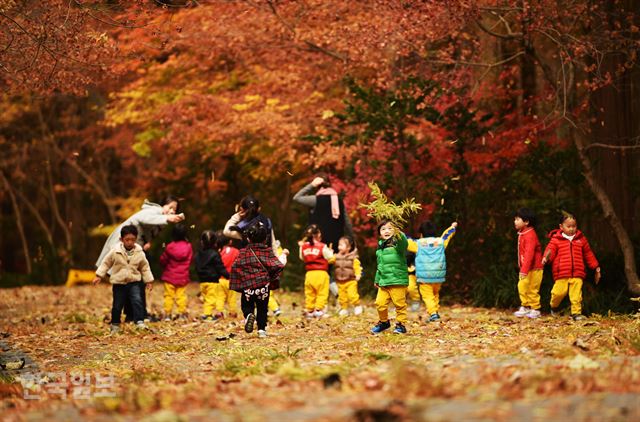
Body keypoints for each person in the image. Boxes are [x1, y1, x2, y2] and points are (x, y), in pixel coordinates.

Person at [95, 196, 185, 321]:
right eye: (170, 207)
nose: (171, 211)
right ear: (162, 205)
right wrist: (167, 218)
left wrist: (147, 242)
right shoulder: (153, 211)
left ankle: (133, 315)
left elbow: (145, 230)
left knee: (131, 281)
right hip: (121, 247)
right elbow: (144, 218)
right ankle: (139, 315)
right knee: (134, 281)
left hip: (132, 249)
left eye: (174, 210)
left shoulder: (159, 218)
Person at [293, 175, 353, 298]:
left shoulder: (316, 199)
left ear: (318, 186)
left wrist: (311, 185)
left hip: (319, 242)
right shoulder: (339, 201)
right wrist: (352, 239)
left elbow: (297, 197)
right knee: (330, 270)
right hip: (336, 242)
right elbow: (347, 222)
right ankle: (341, 296)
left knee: (321, 271)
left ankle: (338, 296)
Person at [93, 225, 154, 333]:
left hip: (134, 282)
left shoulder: (139, 252)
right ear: (121, 239)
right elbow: (106, 263)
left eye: (133, 240)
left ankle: (139, 322)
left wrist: (149, 280)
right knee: (117, 304)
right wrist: (99, 276)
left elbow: (145, 267)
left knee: (137, 301)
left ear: (136, 239)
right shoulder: (115, 251)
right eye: (127, 240)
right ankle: (115, 324)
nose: (130, 242)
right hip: (119, 283)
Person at [230, 222, 285, 338]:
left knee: (246, 305)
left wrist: (242, 279)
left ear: (248, 239)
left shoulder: (243, 252)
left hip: (248, 287)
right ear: (265, 239)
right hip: (263, 287)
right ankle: (261, 330)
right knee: (262, 308)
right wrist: (272, 277)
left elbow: (235, 266)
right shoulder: (267, 251)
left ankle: (249, 315)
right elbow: (277, 265)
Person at [542, 212, 601, 321]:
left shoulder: (581, 239)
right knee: (558, 293)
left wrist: (595, 266)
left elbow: (588, 253)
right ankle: (554, 306)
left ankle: (576, 313)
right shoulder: (556, 239)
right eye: (568, 226)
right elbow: (550, 251)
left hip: (578, 272)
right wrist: (546, 258)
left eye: (574, 226)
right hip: (561, 273)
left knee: (576, 295)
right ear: (561, 226)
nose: (571, 229)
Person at [412, 221, 457, 322]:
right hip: (438, 276)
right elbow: (447, 235)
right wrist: (452, 227)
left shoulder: (418, 244)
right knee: (435, 294)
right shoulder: (440, 242)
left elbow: (406, 241)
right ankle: (435, 312)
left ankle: (433, 313)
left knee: (427, 296)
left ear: (421, 234)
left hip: (425, 277)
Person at [371, 220, 409, 334]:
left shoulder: (398, 245)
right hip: (384, 282)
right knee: (380, 303)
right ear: (380, 233)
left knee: (399, 304)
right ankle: (384, 322)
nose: (386, 231)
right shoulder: (380, 248)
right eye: (383, 229)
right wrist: (377, 279)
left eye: (390, 228)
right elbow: (380, 266)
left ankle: (401, 325)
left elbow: (404, 242)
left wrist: (399, 233)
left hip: (397, 281)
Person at [513, 208, 544, 319]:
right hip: (526, 267)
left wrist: (524, 270)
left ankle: (535, 309)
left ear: (526, 222)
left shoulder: (530, 235)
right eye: (515, 219)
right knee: (522, 286)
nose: (515, 221)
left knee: (532, 288)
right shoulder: (523, 233)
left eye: (517, 219)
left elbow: (529, 254)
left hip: (534, 268)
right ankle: (525, 306)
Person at [299, 224, 335, 318]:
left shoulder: (303, 246)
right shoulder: (322, 246)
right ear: (318, 234)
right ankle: (319, 310)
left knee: (310, 293)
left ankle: (310, 310)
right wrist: (331, 253)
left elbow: (302, 257)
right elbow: (330, 258)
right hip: (321, 273)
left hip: (309, 274)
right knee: (322, 293)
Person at [159, 224, 193, 321]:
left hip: (169, 275)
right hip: (182, 276)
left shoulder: (170, 246)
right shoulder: (188, 246)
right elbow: (190, 260)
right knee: (181, 296)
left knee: (168, 296)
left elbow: (163, 260)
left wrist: (163, 266)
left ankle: (168, 315)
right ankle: (182, 314)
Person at [194, 230, 229, 321]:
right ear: (215, 242)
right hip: (212, 281)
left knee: (207, 299)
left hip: (202, 281)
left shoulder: (198, 254)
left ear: (202, 242)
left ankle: (209, 313)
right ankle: (207, 315)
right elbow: (220, 267)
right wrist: (228, 276)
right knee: (211, 299)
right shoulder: (215, 254)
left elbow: (197, 267)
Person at [334, 236, 363, 316]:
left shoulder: (353, 258)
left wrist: (358, 274)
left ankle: (357, 306)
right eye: (339, 245)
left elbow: (357, 267)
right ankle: (344, 309)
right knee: (342, 297)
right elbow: (330, 260)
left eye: (341, 245)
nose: (339, 247)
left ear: (349, 247)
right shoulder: (336, 256)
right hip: (340, 281)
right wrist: (329, 254)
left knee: (352, 295)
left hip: (351, 280)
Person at [215, 232, 240, 319]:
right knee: (232, 298)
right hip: (232, 279)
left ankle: (219, 311)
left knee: (220, 297)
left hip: (221, 279)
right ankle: (232, 312)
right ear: (230, 242)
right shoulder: (236, 251)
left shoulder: (219, 251)